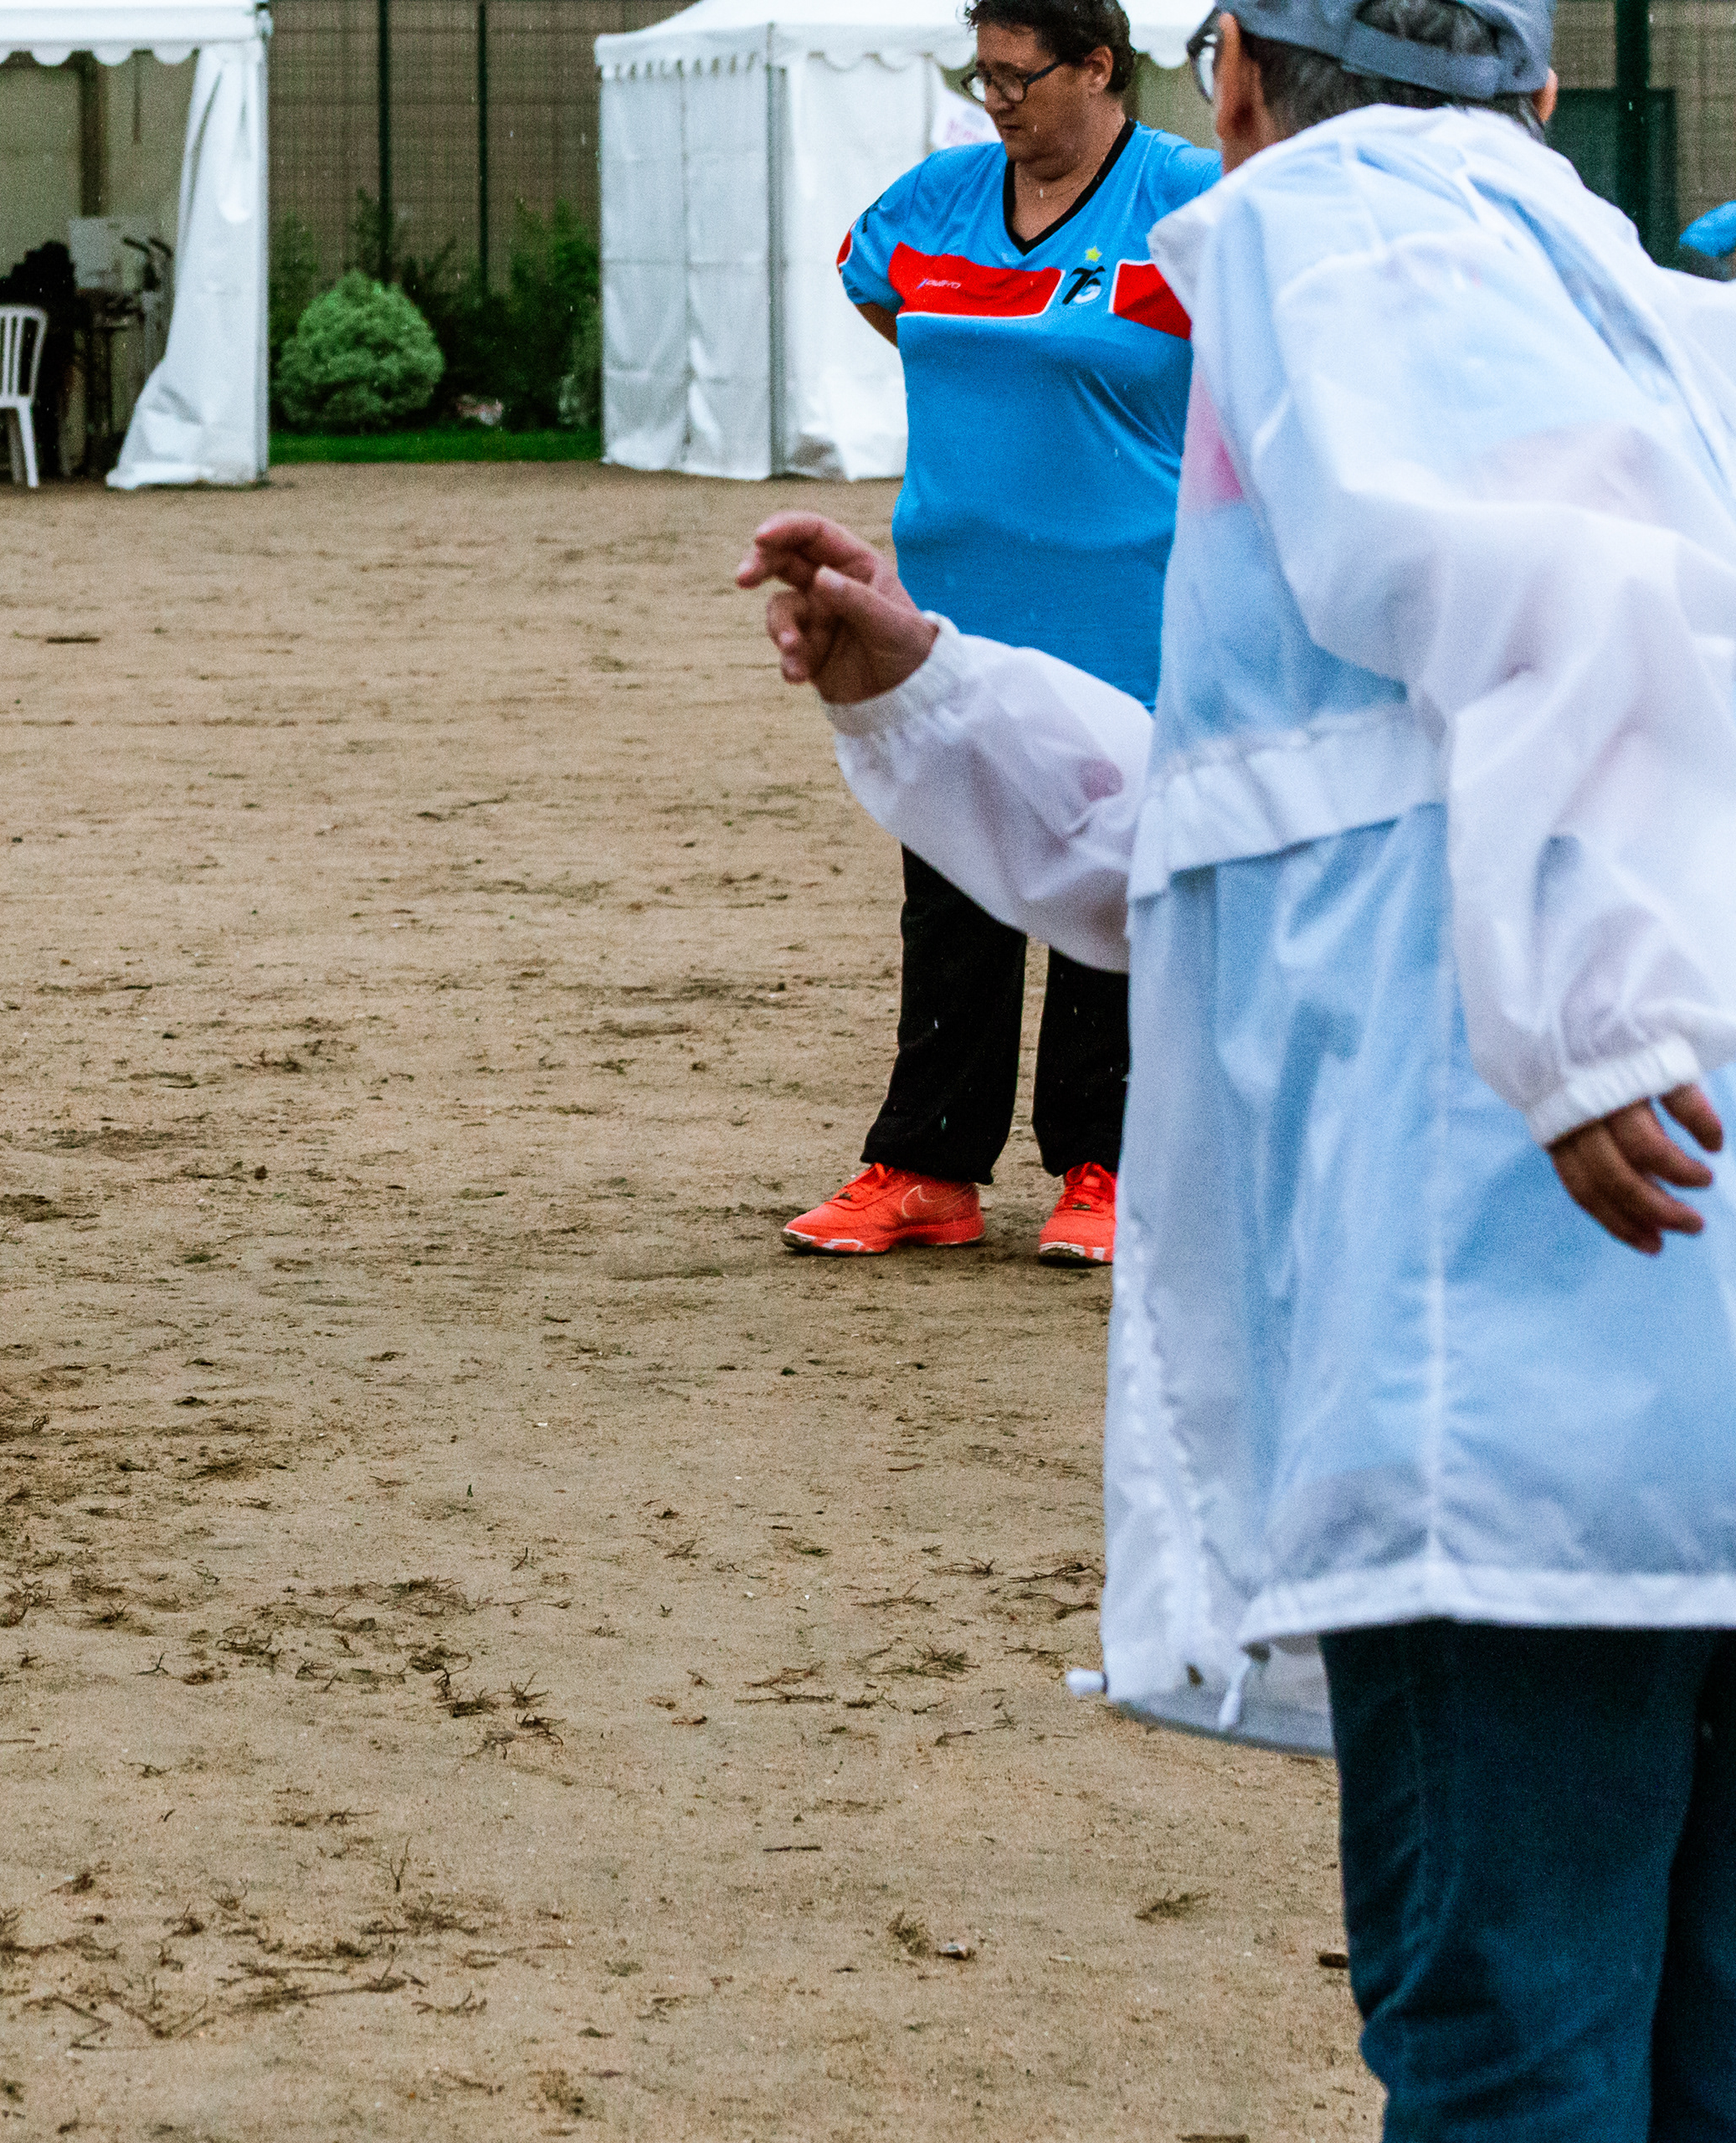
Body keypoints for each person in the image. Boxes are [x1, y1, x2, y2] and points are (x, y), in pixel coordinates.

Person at [740, 0, 1736, 2124]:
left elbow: (1586, 615)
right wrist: (939, 688)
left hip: (1517, 1356)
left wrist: (1586, 1011)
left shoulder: (1342, 225)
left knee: (1509, 2033)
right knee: (1690, 2018)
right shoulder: (1643, 316)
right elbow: (1248, 828)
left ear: (1238, 87)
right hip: (1660, 1373)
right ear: (1545, 93)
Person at [783, 0, 1222, 1268]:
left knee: (1114, 873)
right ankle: (926, 1164)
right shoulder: (938, 198)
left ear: (1100, 66)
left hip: (1134, 612)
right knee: (954, 871)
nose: (999, 101)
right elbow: (893, 304)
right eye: (981, 77)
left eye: (1021, 76)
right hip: (958, 607)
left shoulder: (1189, 201)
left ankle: (1109, 1164)